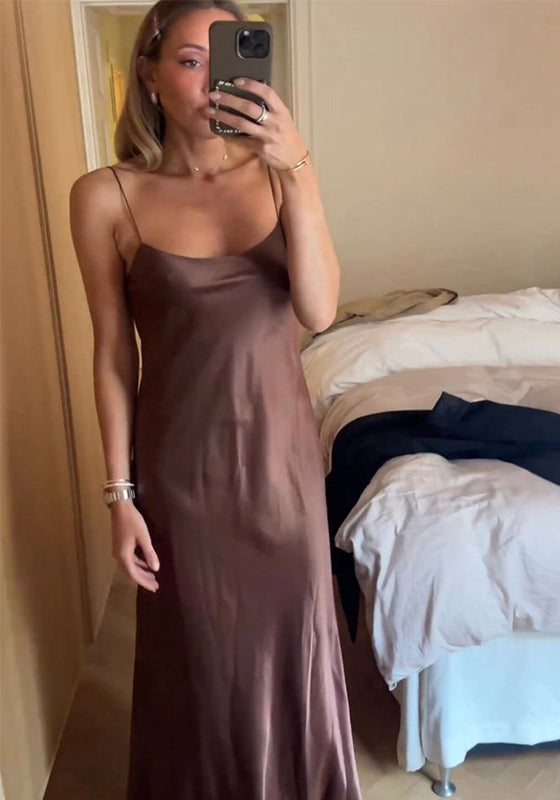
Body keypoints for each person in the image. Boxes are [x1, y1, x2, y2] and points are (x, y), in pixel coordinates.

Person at [69, 1, 363, 797]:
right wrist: (119, 494)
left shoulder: (279, 174)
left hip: (282, 473)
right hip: (182, 479)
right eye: (190, 61)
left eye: (225, 59)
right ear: (149, 75)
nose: (210, 83)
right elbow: (112, 354)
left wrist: (297, 166)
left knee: (293, 651)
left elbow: (319, 311)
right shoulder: (105, 196)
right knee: (200, 665)